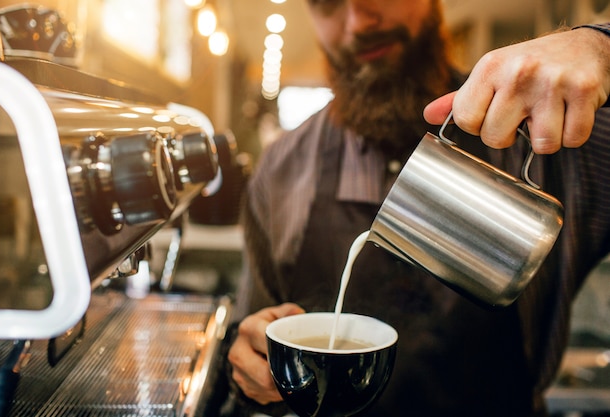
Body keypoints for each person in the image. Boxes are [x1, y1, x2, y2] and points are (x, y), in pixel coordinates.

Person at [223, 1, 610, 416]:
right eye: (328, 2)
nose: (358, 21)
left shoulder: (563, 136)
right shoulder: (281, 170)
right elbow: (255, 340)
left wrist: (600, 47)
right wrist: (249, 370)